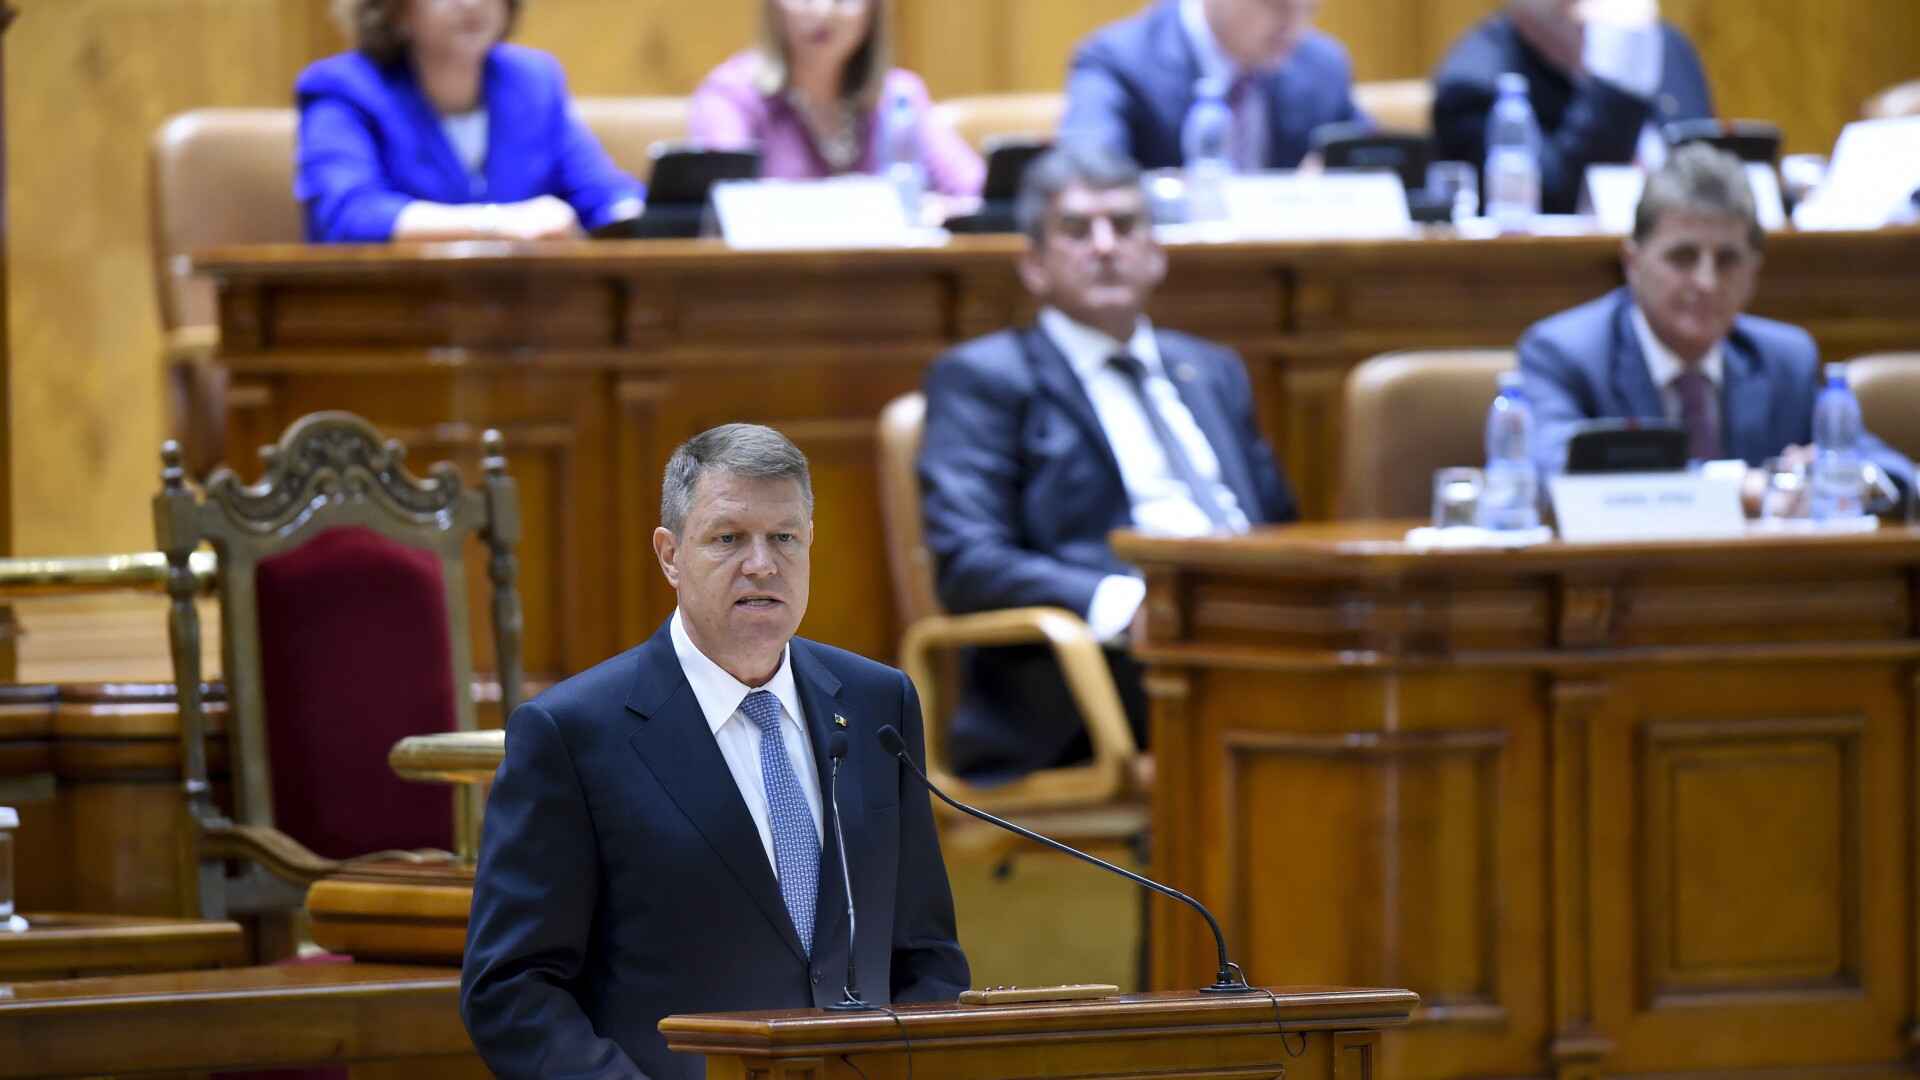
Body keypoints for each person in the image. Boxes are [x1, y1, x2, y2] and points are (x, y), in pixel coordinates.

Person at [462, 424, 968, 1080]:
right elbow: (510, 990)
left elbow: (925, 954)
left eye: (784, 537)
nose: (762, 563)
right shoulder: (571, 732)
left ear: (810, 543)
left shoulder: (879, 704)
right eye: (729, 538)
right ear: (670, 554)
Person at [917, 144, 1298, 781]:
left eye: (1124, 226)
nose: (1104, 246)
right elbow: (968, 564)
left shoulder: (1212, 370)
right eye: (1076, 230)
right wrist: (1129, 608)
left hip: (1246, 637)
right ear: (1034, 265)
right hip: (1105, 671)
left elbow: (1280, 525)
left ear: (1156, 253)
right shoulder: (983, 378)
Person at [1519, 143, 1913, 511]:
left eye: (1727, 260)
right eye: (1683, 257)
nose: (1706, 282)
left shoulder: (1784, 361)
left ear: (1754, 273)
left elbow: (1896, 475)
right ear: (1633, 263)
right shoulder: (1565, 355)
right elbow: (1559, 478)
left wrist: (1851, 479)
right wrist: (1741, 488)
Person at [297, 0, 643, 243]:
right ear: (395, 9)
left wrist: (643, 213)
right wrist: (495, 223)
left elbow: (601, 192)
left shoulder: (533, 81)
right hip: (392, 315)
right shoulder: (344, 87)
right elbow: (347, 216)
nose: (471, 3)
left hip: (524, 315)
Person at [1431, 0, 1714, 214]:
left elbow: (1707, 171)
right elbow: (1556, 202)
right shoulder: (1474, 84)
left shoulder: (1664, 44)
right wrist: (1619, 75)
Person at [688, 0, 985, 202]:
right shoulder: (731, 94)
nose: (822, 11)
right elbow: (725, 202)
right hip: (771, 286)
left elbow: (976, 192)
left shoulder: (899, 95)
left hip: (885, 283)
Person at [1057, 0, 1362, 172]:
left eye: (1308, 9)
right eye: (1276, 4)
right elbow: (1086, 174)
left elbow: (1380, 159)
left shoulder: (1322, 65)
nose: (1294, 28)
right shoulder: (1118, 61)